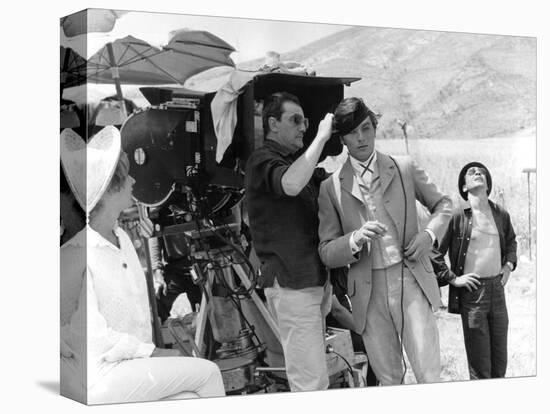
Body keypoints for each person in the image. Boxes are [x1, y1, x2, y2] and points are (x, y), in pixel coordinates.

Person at [60, 126, 225, 404]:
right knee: (208, 373)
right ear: (110, 189)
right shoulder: (76, 253)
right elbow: (92, 339)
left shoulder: (122, 237)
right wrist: (151, 353)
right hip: (100, 373)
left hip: (129, 367)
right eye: (127, 179)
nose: (134, 182)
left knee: (186, 397)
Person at [317, 97, 452, 385]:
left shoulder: (403, 167)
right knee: (389, 378)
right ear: (342, 139)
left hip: (411, 279)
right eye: (353, 132)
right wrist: (353, 240)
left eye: (367, 128)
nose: (362, 137)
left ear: (375, 128)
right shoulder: (330, 187)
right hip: (367, 293)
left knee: (429, 374)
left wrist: (429, 235)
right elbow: (327, 252)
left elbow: (444, 205)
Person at [244, 92, 334, 391]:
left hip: (312, 281)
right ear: (273, 123)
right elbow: (291, 184)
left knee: (315, 375)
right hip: (292, 283)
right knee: (310, 382)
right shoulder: (262, 160)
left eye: (306, 122)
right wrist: (320, 139)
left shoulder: (297, 163)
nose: (303, 127)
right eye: (295, 120)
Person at [435, 161, 517, 379]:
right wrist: (453, 279)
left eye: (481, 172)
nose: (477, 172)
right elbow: (434, 253)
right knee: (481, 368)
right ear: (464, 187)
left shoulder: (500, 213)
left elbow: (511, 241)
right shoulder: (457, 215)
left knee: (500, 362)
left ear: (488, 184)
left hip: (497, 291)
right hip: (473, 294)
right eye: (471, 172)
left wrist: (508, 265)